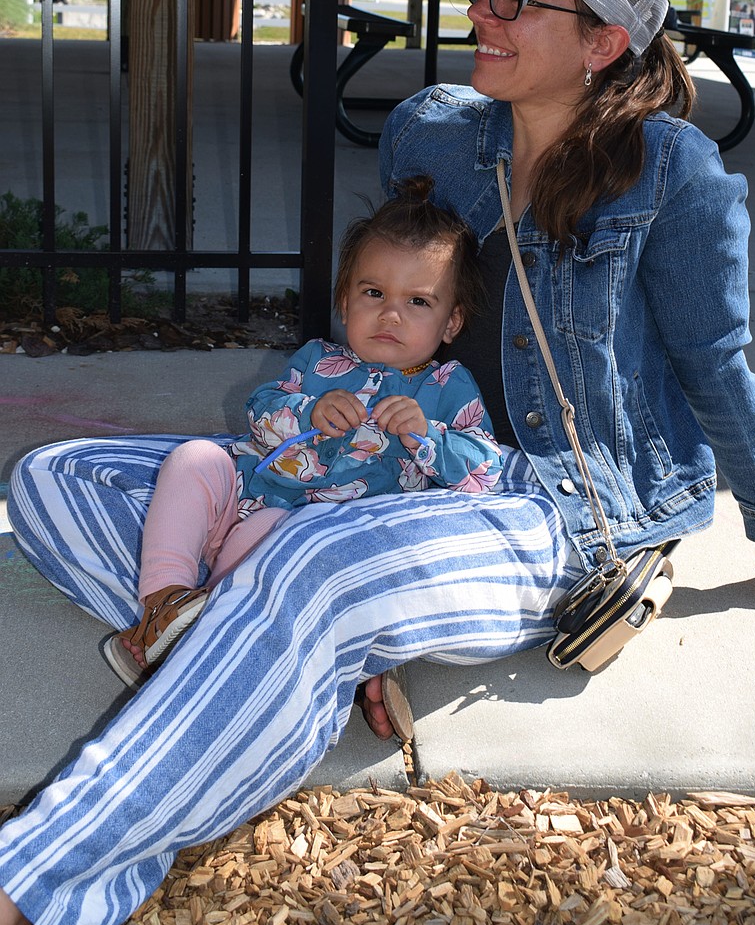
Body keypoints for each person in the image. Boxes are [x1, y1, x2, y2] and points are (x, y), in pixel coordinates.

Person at [1, 0, 755, 925]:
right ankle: (292, 650)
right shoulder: (436, 131)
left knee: (309, 561)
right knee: (56, 478)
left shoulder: (672, 175)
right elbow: (393, 290)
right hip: (372, 466)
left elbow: (716, 364)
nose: (483, 14)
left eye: (518, 2)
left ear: (603, 42)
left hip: (549, 501)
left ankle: (36, 884)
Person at [104, 174, 502, 691]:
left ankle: (208, 637)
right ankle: (164, 600)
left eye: (419, 302)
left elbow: (486, 470)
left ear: (451, 323)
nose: (390, 313)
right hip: (247, 491)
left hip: (305, 535)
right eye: (374, 292)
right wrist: (307, 410)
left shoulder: (448, 386)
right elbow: (260, 410)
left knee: (276, 538)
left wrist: (427, 437)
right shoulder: (318, 360)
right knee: (194, 459)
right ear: (344, 301)